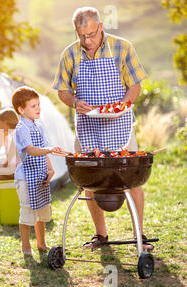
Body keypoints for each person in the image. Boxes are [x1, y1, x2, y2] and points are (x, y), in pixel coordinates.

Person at [53, 7, 152, 250]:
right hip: (87, 125)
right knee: (89, 181)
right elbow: (62, 91)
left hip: (120, 123)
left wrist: (121, 106)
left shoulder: (122, 47)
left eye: (91, 34)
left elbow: (135, 86)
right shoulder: (70, 54)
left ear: (100, 27)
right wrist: (75, 102)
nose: (87, 40)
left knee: (132, 180)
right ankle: (101, 235)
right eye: (81, 35)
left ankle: (140, 235)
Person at [12, 86, 65, 255]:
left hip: (40, 174)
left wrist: (50, 169)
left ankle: (41, 243)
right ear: (21, 109)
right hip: (26, 176)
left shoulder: (39, 126)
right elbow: (31, 150)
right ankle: (26, 246)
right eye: (33, 106)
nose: (38, 109)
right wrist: (49, 149)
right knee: (27, 212)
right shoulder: (21, 128)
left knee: (42, 210)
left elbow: (42, 149)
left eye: (38, 105)